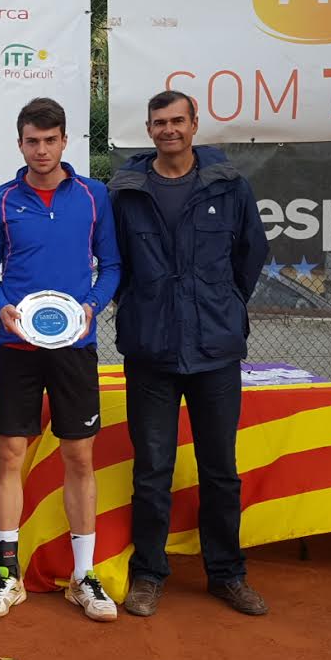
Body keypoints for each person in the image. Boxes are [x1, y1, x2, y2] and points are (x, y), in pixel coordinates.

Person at [107, 90, 269, 619]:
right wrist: (142, 304)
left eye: (178, 120)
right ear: (149, 129)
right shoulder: (125, 192)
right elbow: (114, 263)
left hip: (214, 350)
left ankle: (227, 574)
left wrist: (220, 303)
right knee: (153, 469)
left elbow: (250, 254)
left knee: (220, 469)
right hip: (150, 351)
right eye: (159, 122)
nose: (169, 130)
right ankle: (149, 575)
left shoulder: (230, 185)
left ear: (195, 124)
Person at [0, 97, 121, 623]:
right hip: (17, 347)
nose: (41, 150)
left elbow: (112, 265)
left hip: (75, 348)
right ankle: (6, 574)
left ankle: (84, 576)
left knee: (79, 457)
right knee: (10, 453)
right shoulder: (0, 201)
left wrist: (92, 306)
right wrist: (2, 308)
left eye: (50, 140)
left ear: (64, 141)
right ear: (20, 144)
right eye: (32, 141)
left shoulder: (94, 195)